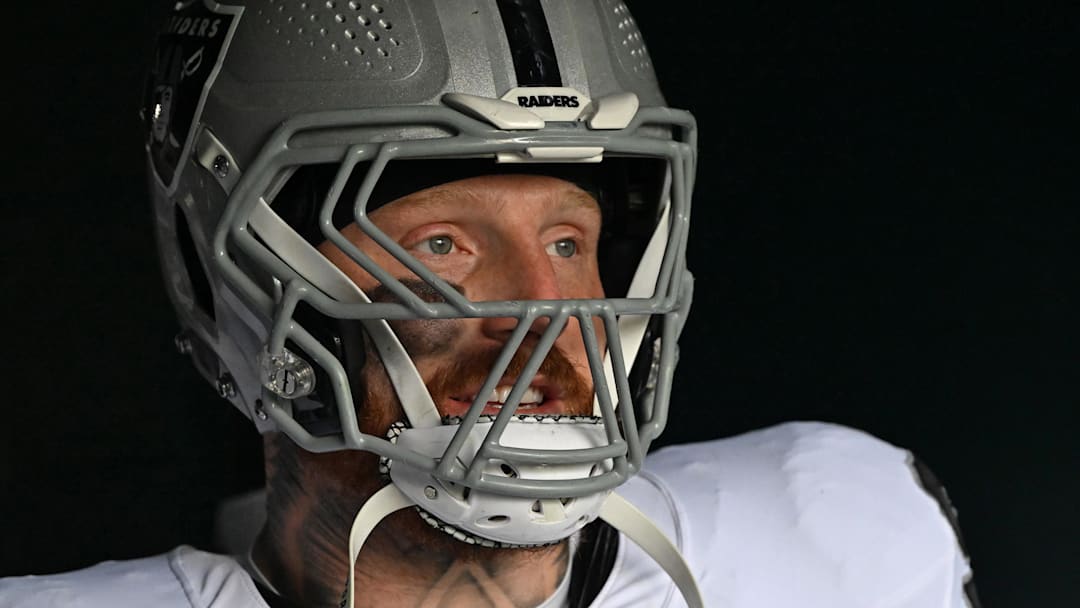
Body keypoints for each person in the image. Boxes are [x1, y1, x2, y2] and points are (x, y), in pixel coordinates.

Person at [0, 1, 979, 606]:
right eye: (445, 247)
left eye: (568, 241)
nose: (546, 315)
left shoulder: (836, 538)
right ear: (239, 279)